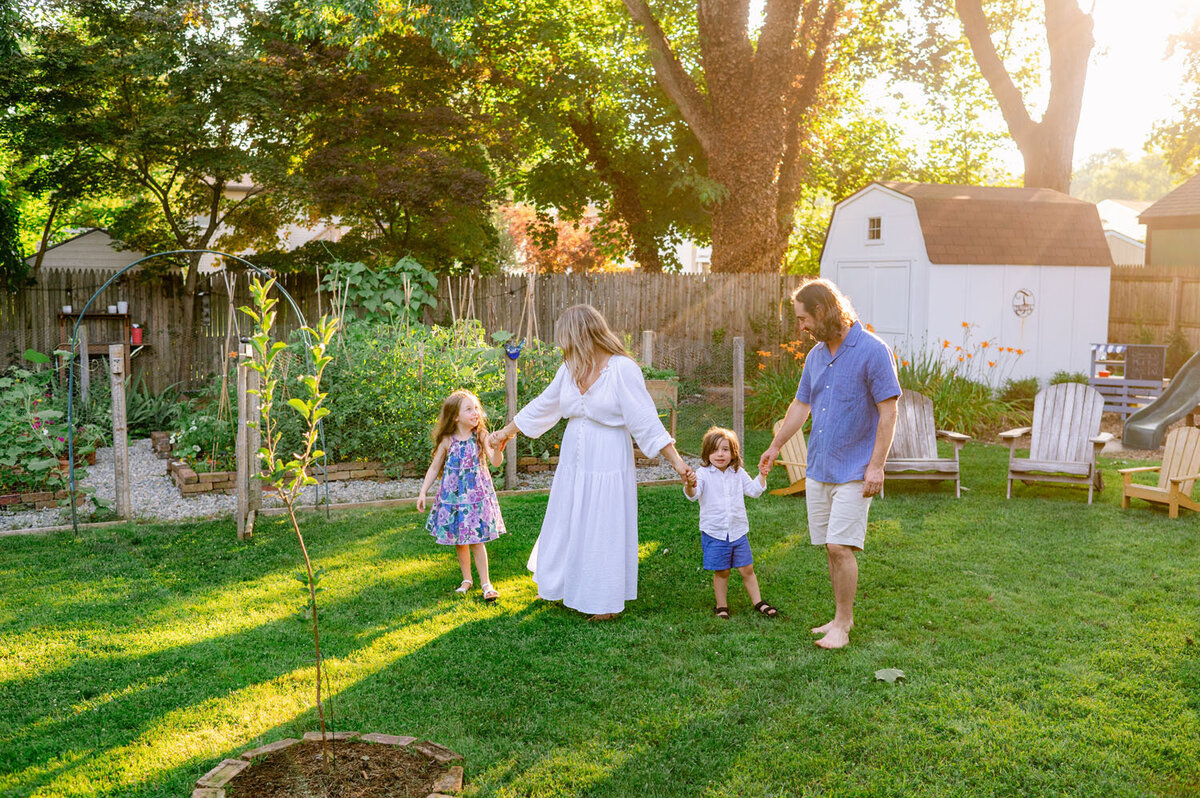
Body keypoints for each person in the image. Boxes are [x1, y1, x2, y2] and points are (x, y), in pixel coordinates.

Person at [487, 304, 695, 620]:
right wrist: (506, 432)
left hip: (608, 458)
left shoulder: (622, 369)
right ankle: (563, 585)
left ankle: (604, 601)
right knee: (568, 518)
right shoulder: (569, 368)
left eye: (566, 339)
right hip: (574, 456)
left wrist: (678, 463)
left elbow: (645, 421)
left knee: (602, 524)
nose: (562, 346)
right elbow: (545, 405)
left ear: (583, 335)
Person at [759, 279, 900, 649]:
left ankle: (843, 625)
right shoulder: (817, 356)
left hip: (855, 468)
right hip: (820, 467)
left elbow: (889, 413)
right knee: (830, 546)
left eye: (804, 318)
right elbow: (800, 405)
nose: (801, 327)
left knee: (841, 547)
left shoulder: (872, 351)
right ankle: (839, 617)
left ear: (822, 311)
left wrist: (877, 467)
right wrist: (775, 446)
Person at [418, 389, 508, 602]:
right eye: (469, 409)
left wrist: (499, 449)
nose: (476, 412)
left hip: (475, 498)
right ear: (455, 416)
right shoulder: (448, 441)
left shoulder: (481, 436)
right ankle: (466, 580)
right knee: (460, 541)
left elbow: (495, 462)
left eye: (476, 408)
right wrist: (423, 492)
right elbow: (434, 468)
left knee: (477, 540)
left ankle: (486, 584)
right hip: (455, 499)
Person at [684, 426, 777, 620]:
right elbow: (693, 495)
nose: (720, 454)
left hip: (738, 532)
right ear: (707, 453)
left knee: (747, 568)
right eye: (715, 450)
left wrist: (762, 475)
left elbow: (753, 491)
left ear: (733, 453)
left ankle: (758, 602)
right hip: (715, 532)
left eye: (725, 449)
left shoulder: (738, 472)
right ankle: (721, 606)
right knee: (722, 571)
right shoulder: (702, 474)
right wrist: (689, 484)